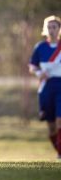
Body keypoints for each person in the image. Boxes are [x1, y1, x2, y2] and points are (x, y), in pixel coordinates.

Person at [29, 15, 61, 159]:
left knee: (60, 119)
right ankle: (59, 151)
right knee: (51, 126)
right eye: (49, 27)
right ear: (45, 29)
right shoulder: (40, 47)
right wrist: (39, 73)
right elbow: (32, 66)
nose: (51, 30)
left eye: (54, 27)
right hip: (46, 88)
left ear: (59, 29)